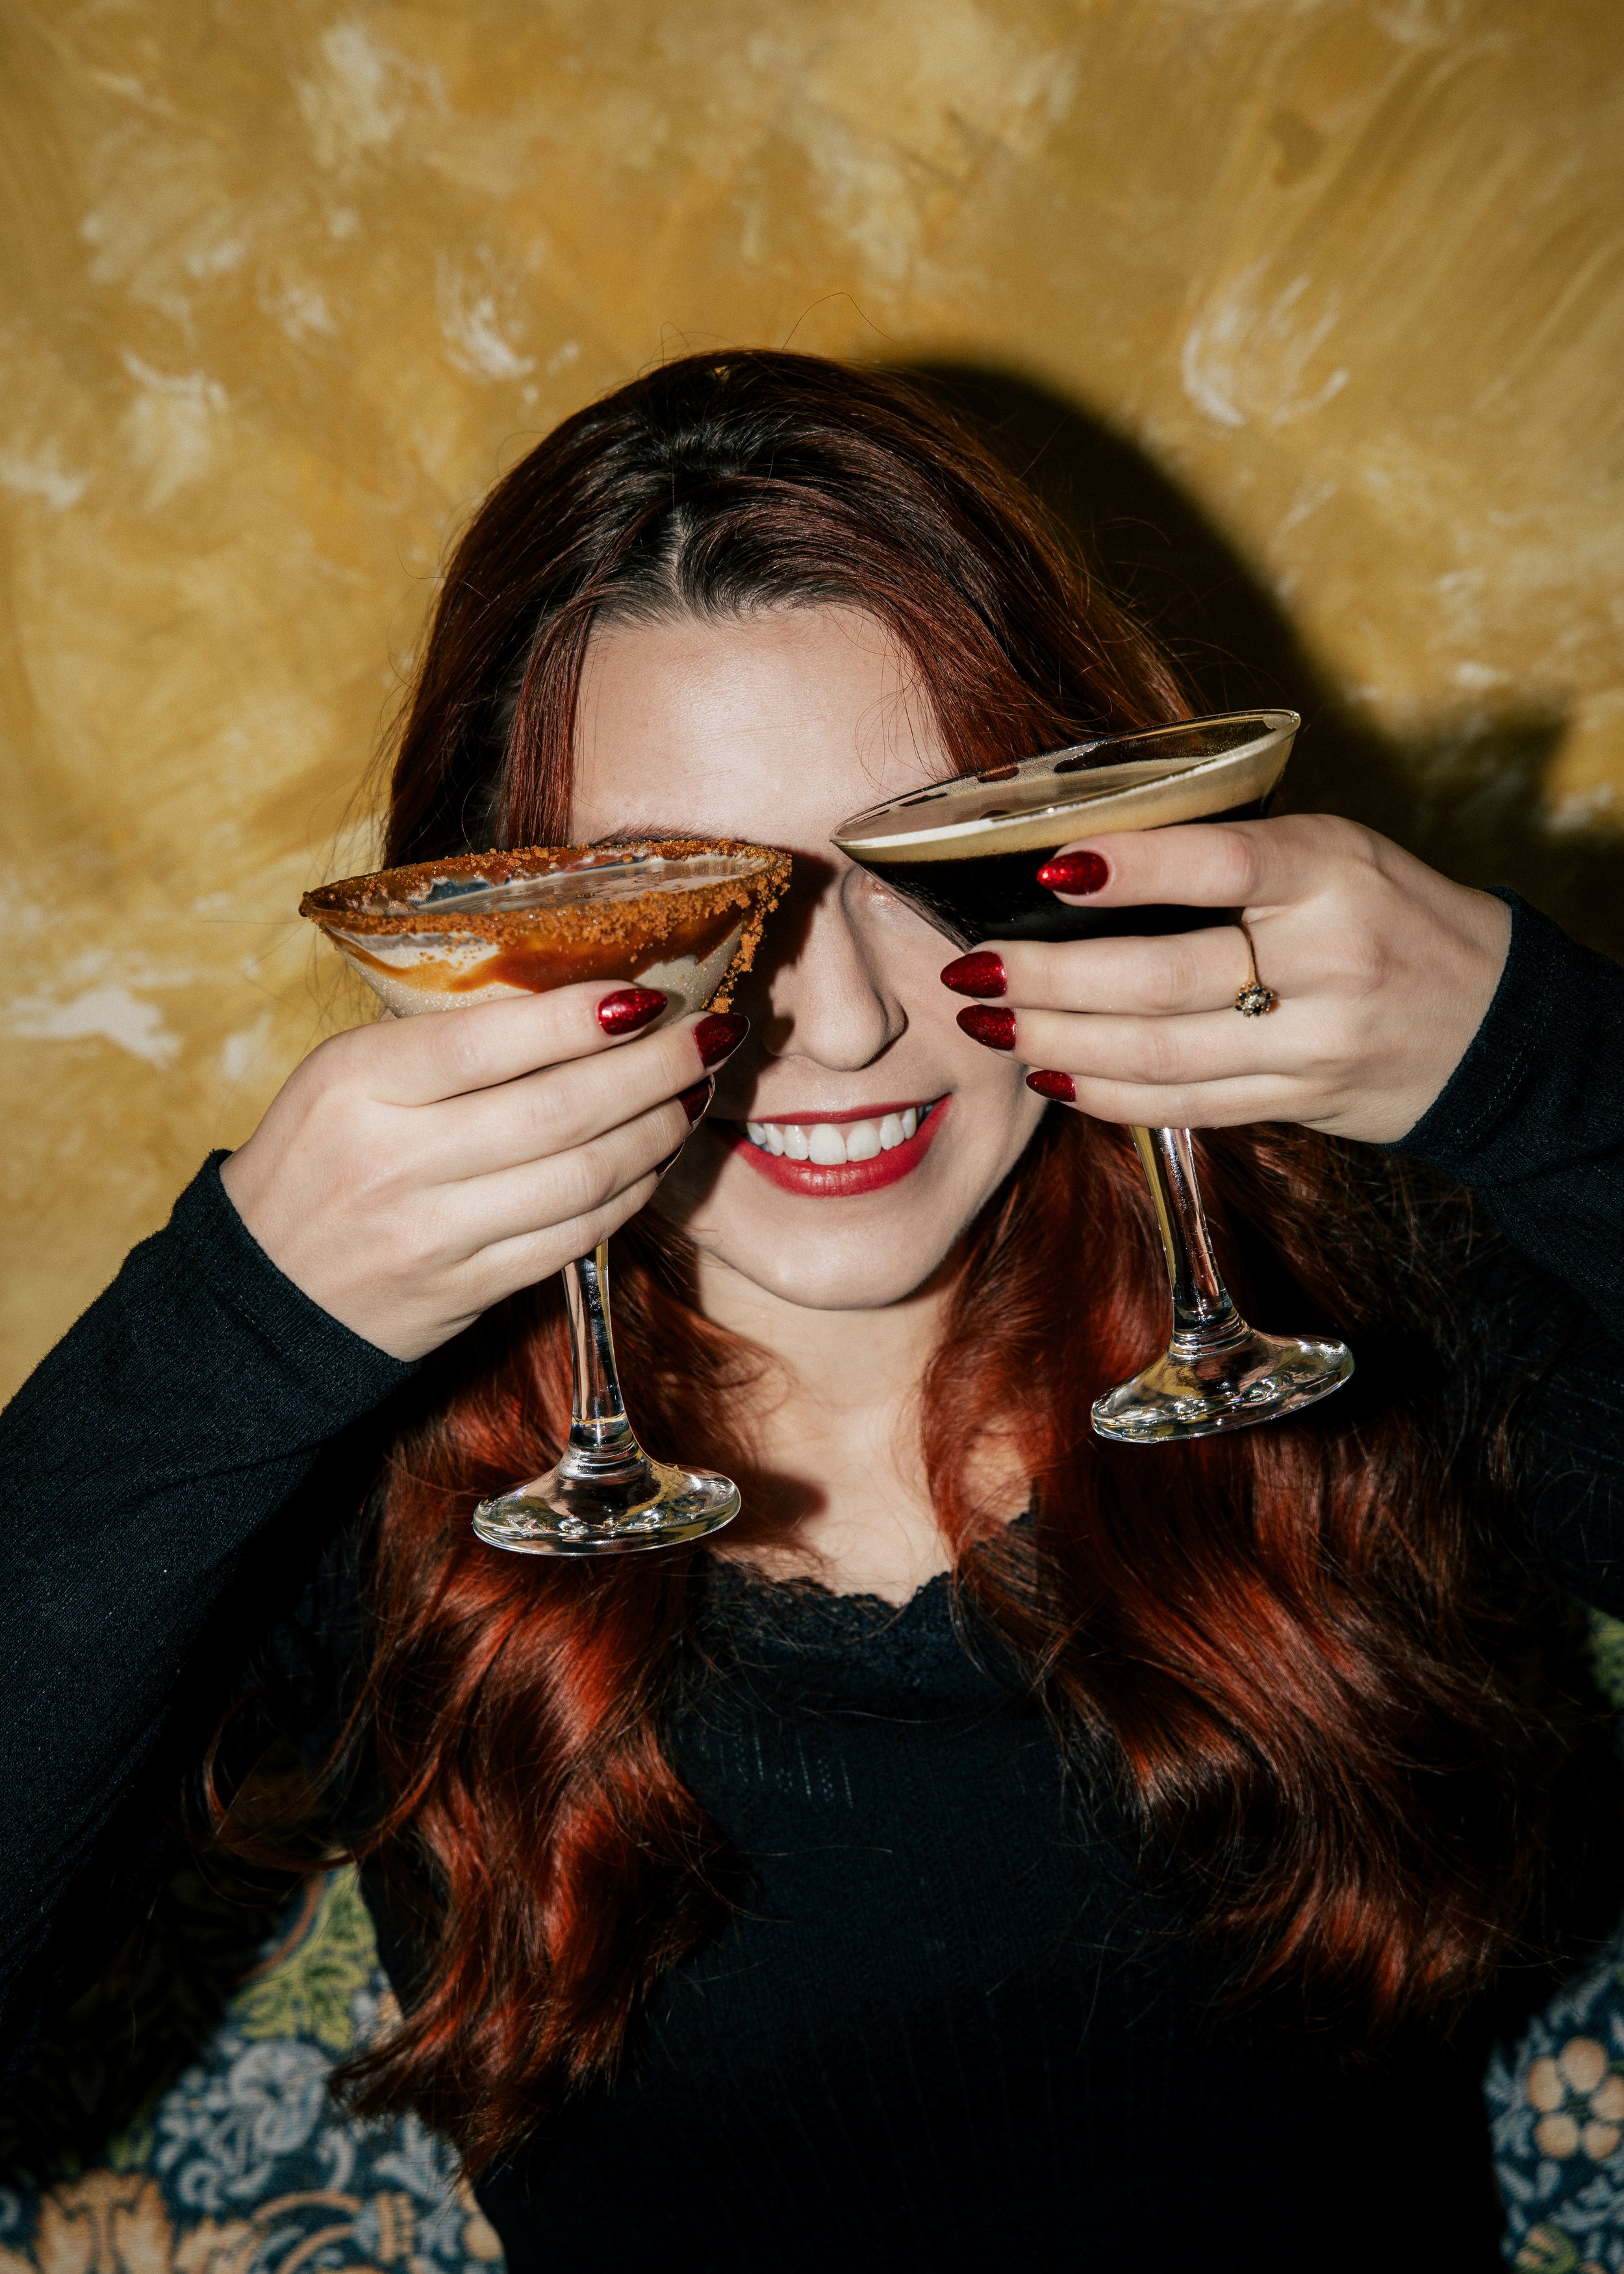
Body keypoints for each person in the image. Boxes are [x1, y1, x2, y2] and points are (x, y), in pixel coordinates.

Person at [3, 351, 1621, 2273]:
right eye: (682, 896)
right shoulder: (386, 1479)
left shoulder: (1350, 1307)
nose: (837, 1019)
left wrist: (1538, 1064)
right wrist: (245, 1312)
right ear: (488, 909)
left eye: (926, 854)